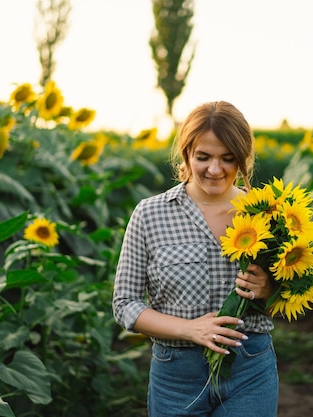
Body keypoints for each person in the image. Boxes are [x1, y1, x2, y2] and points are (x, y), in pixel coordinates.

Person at [112, 101, 279, 416]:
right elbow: (125, 304)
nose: (215, 170)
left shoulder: (268, 215)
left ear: (243, 159)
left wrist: (268, 290)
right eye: (203, 157)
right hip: (176, 376)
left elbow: (293, 289)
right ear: (187, 153)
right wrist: (190, 329)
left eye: (228, 159)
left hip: (250, 370)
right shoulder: (150, 214)